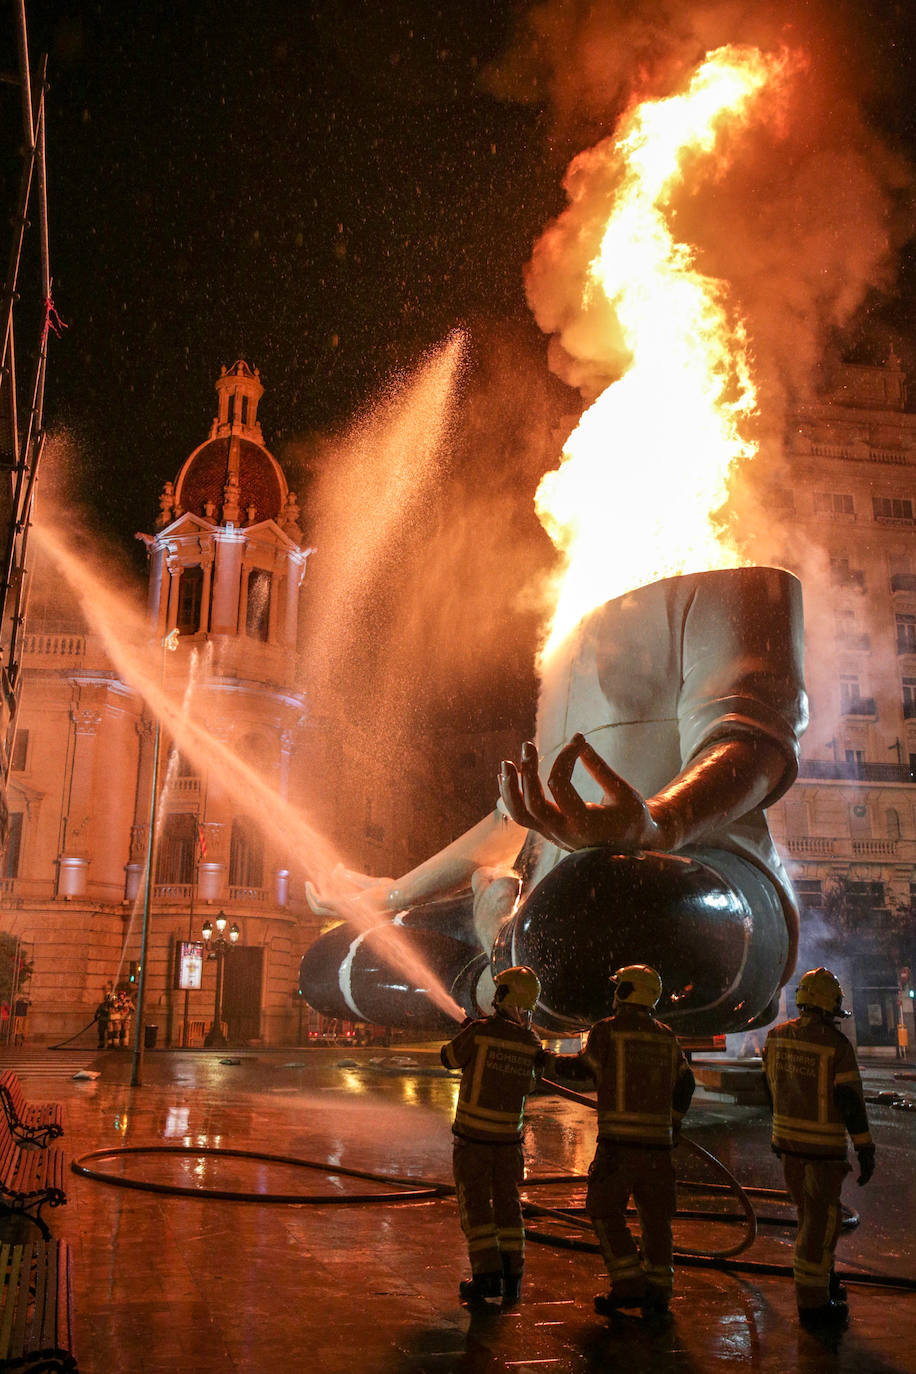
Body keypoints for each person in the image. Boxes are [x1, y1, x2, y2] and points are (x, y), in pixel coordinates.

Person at [304, 566, 808, 1038]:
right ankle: (497, 979)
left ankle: (504, 957)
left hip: (686, 881)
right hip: (540, 898)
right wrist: (391, 897)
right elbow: (518, 817)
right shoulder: (571, 638)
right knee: (329, 963)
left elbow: (748, 741)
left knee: (583, 909)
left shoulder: (732, 582)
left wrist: (658, 824)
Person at [550, 964, 695, 1318]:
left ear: (627, 991)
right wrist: (673, 1125)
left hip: (619, 1147)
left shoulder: (607, 1031)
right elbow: (686, 1083)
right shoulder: (665, 1036)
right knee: (657, 1219)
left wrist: (546, 1061)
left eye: (619, 987)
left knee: (602, 1210)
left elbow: (585, 1072)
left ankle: (629, 1283)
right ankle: (659, 1290)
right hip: (659, 1150)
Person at [763, 967, 875, 1330]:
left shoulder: (777, 1037)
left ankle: (823, 1281)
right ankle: (813, 1305)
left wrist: (779, 1132)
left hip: (789, 1147)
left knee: (806, 1219)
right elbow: (850, 1101)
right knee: (821, 1224)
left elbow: (772, 1089)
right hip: (823, 1152)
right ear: (830, 1006)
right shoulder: (836, 1046)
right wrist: (864, 1148)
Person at [440, 965, 547, 1307]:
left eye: (499, 990)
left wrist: (468, 1034)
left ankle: (486, 1277)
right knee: (508, 1207)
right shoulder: (531, 1041)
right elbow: (530, 1084)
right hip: (509, 1142)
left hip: (473, 1140)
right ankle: (512, 1278)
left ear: (504, 996)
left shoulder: (481, 1032)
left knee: (476, 1207)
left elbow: (449, 1058)